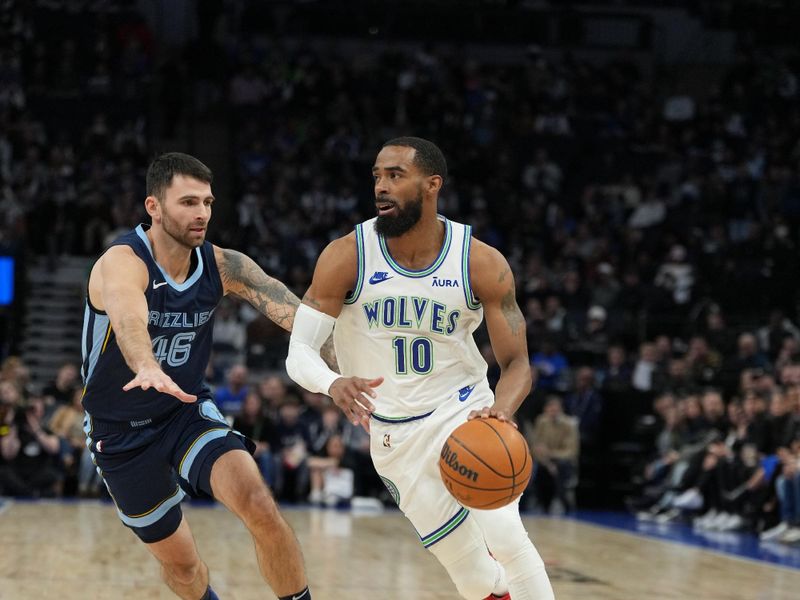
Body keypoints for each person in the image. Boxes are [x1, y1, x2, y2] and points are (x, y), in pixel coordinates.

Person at [286, 137, 554, 600]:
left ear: (432, 185)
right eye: (377, 176)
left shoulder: (480, 261)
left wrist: (503, 412)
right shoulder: (348, 255)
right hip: (394, 434)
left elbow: (517, 364)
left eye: (395, 175)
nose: (381, 187)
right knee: (473, 577)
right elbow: (298, 354)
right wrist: (333, 383)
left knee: (507, 538)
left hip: (464, 412)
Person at [80, 153, 319, 600]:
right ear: (153, 206)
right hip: (120, 433)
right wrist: (147, 364)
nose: (202, 213)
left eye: (207, 202)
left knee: (260, 505)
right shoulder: (121, 262)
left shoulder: (223, 265)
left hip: (184, 412)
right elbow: (130, 318)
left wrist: (349, 350)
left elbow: (294, 312)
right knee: (185, 568)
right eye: (189, 202)